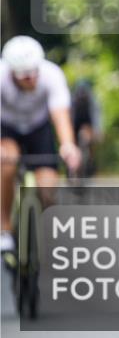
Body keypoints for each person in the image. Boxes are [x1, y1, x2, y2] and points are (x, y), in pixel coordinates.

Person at [0, 36, 81, 256]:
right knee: (6, 162)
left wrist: (68, 145)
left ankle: (43, 235)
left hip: (38, 128)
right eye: (26, 76)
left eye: (35, 72)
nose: (32, 79)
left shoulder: (51, 74)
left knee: (47, 186)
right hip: (6, 128)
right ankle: (4, 229)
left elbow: (60, 114)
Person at [71, 79, 102, 176]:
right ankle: (73, 167)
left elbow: (96, 116)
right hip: (76, 121)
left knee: (91, 142)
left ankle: (90, 162)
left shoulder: (93, 100)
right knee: (73, 143)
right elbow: (70, 116)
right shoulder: (72, 99)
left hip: (88, 121)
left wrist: (97, 131)